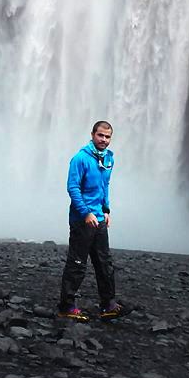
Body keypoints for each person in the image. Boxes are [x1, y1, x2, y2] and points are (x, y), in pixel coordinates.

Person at [57, 120, 127, 321]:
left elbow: (105, 186)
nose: (104, 140)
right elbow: (73, 188)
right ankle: (66, 305)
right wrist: (85, 213)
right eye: (100, 136)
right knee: (77, 262)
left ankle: (109, 305)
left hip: (99, 218)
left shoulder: (109, 159)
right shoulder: (80, 158)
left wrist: (106, 210)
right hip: (82, 219)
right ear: (92, 135)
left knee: (104, 263)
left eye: (107, 137)